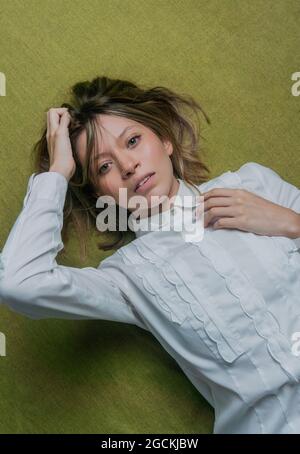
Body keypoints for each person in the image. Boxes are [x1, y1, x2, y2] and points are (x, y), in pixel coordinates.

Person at [0, 76, 300, 434]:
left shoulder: (254, 185)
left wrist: (292, 222)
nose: (127, 165)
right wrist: (58, 173)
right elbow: (19, 283)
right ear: (101, 196)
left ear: (166, 141)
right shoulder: (126, 279)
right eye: (103, 167)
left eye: (132, 141)